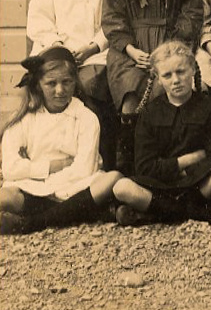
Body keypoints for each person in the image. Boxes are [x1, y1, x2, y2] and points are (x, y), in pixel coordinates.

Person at [101, 0, 203, 172]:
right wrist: (130, 49)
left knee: (163, 90)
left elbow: (192, 12)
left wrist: (169, 50)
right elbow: (112, 14)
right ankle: (129, 166)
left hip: (170, 45)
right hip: (130, 49)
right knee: (130, 97)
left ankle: (163, 166)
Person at [27, 0, 117, 168]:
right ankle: (49, 159)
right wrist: (59, 49)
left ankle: (95, 162)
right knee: (45, 85)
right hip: (56, 50)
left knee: (91, 85)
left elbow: (116, 18)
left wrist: (94, 46)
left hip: (96, 52)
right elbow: (39, 16)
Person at [112, 42, 211, 225]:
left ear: (192, 70)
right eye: (167, 75)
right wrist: (185, 161)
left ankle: (156, 213)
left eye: (181, 72)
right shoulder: (150, 112)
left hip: (197, 185)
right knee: (121, 187)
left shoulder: (210, 107)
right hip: (158, 186)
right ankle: (198, 213)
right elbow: (144, 166)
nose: (176, 80)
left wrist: (186, 171)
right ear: (158, 78)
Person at [0, 47, 123, 235]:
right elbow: (10, 169)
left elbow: (84, 169)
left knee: (111, 179)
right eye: (51, 83)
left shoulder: (86, 118)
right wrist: (51, 166)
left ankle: (32, 223)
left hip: (74, 188)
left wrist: (50, 184)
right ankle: (78, 214)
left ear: (75, 82)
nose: (60, 90)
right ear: (38, 84)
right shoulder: (23, 119)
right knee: (4, 196)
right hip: (34, 188)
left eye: (66, 82)